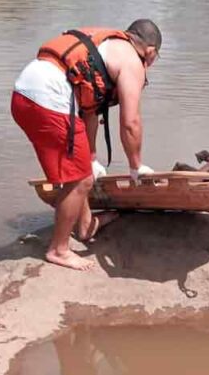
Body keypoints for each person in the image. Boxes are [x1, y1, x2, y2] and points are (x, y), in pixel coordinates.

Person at [11, 20, 161, 270]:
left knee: (78, 172)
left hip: (23, 96)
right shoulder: (133, 61)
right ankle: (59, 250)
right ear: (151, 51)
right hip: (49, 98)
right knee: (80, 181)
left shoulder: (103, 44)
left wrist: (91, 159)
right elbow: (131, 122)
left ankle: (85, 226)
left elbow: (88, 109)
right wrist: (136, 166)